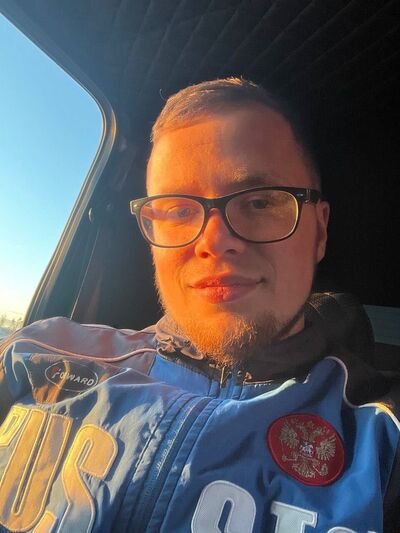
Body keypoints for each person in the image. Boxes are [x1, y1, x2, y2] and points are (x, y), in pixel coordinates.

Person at [0, 78, 399, 533]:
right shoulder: (36, 352)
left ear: (320, 231)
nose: (214, 241)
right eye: (176, 210)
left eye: (259, 201)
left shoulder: (382, 434)